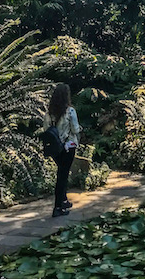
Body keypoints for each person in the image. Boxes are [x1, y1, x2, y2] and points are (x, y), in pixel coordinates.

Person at [43, 83, 81, 218]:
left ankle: (63, 201)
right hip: (68, 147)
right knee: (63, 177)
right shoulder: (70, 111)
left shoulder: (49, 113)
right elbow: (75, 129)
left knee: (61, 173)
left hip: (55, 148)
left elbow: (46, 129)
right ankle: (58, 207)